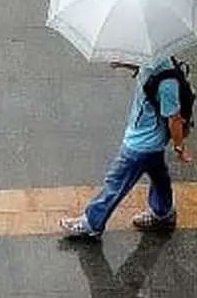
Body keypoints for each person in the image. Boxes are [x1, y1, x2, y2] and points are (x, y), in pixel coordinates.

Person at [60, 58, 192, 238]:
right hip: (151, 141)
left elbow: (174, 118)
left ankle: (91, 223)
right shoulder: (156, 60)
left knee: (115, 182)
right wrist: (124, 63)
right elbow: (143, 67)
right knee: (159, 176)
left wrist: (179, 146)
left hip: (141, 144)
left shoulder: (167, 83)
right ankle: (163, 213)